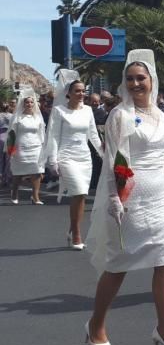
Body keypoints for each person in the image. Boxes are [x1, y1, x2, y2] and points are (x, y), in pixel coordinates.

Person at [85, 50, 164, 345]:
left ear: (151, 80)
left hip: (160, 199)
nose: (135, 84)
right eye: (130, 79)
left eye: (140, 78)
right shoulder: (120, 115)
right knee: (118, 265)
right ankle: (95, 325)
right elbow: (113, 161)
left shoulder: (160, 113)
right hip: (131, 199)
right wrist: (115, 197)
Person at [44, 72, 103, 248]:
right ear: (68, 93)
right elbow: (53, 136)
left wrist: (104, 154)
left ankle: (72, 229)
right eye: (77, 91)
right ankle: (77, 234)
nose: (81, 94)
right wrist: (53, 160)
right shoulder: (59, 111)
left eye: (83, 91)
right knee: (78, 192)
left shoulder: (87, 110)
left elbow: (93, 134)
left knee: (82, 194)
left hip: (84, 157)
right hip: (66, 157)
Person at [7, 87, 46, 205]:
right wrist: (11, 150)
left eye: (31, 102)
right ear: (23, 104)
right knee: (18, 173)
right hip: (20, 148)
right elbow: (11, 134)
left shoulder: (38, 117)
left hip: (36, 148)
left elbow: (42, 134)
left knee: (37, 172)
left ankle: (35, 196)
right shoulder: (17, 117)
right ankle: (14, 193)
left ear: (34, 103)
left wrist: (44, 148)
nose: (29, 104)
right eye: (27, 102)